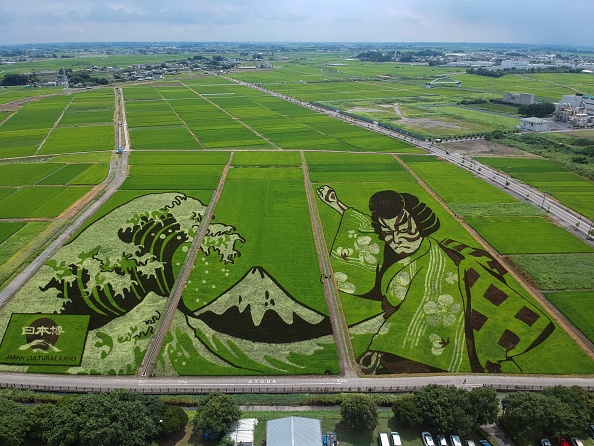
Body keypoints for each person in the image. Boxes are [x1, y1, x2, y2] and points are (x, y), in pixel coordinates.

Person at [316, 186, 554, 374]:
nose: (397, 238)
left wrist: (381, 345)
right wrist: (337, 204)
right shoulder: (391, 248)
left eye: (403, 228)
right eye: (388, 232)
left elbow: (413, 312)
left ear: (420, 223)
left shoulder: (437, 262)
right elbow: (365, 225)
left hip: (431, 344)